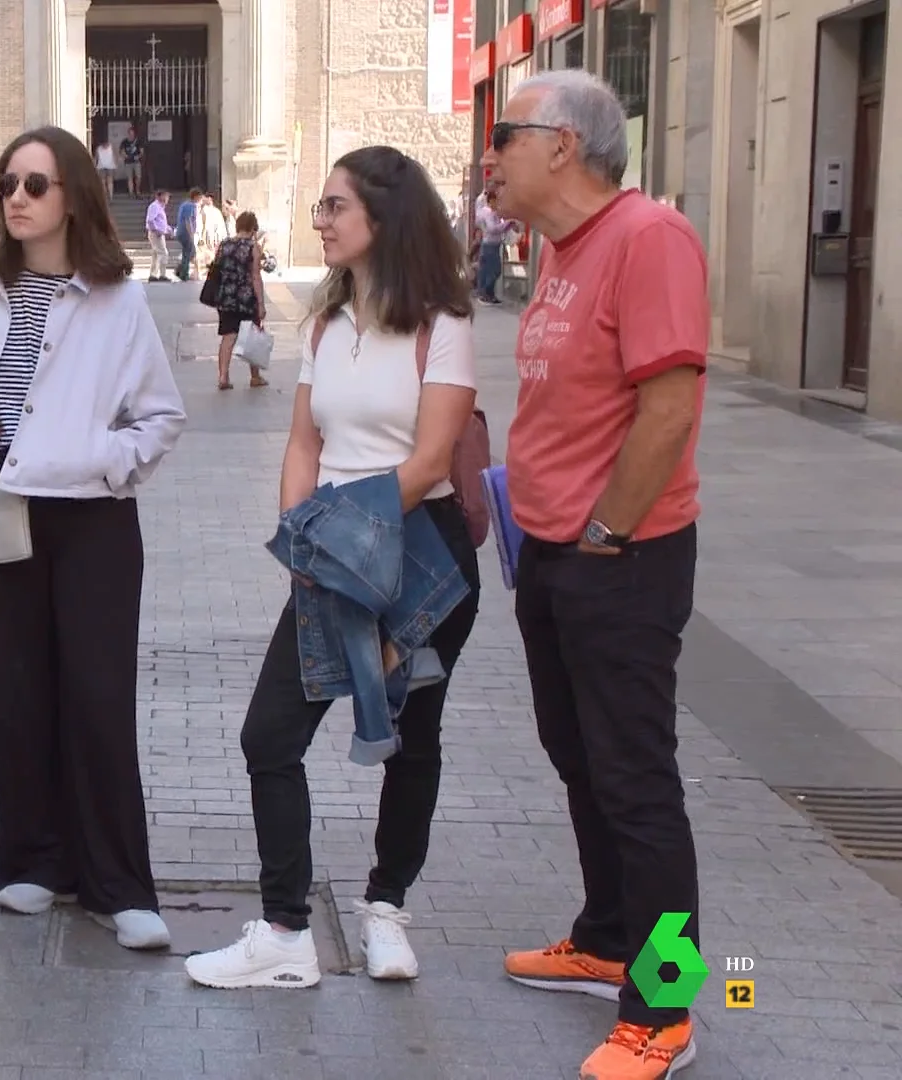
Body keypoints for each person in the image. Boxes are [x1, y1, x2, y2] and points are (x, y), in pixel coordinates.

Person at [184, 145, 482, 993]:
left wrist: (339, 537)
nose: (319, 221)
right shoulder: (325, 322)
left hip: (418, 558)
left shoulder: (442, 322)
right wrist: (298, 540)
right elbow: (305, 442)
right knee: (269, 738)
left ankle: (386, 909)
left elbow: (429, 461)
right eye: (319, 208)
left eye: (332, 207)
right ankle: (283, 933)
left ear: (383, 219)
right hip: (334, 556)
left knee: (410, 737)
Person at [0, 125, 186, 951]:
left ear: (72, 197)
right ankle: (33, 861)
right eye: (7, 186)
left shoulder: (118, 299)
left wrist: (108, 459)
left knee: (97, 696)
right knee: (17, 690)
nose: (17, 200)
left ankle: (118, 885)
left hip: (93, 520)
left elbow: (162, 415)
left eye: (35, 185)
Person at [485, 69, 708, 1080]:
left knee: (636, 783)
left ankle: (664, 1007)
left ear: (562, 145)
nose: (492, 157)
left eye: (506, 136)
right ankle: (608, 932)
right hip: (554, 552)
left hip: (620, 558)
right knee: (580, 759)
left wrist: (609, 532)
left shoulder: (648, 238)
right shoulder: (564, 251)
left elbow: (668, 405)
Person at [206, 211, 267, 391]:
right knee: (252, 335)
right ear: (253, 228)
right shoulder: (253, 247)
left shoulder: (224, 245)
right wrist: (261, 303)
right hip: (247, 297)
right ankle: (255, 377)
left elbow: (217, 270)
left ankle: (223, 376)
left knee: (228, 336)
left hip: (226, 297)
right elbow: (255, 276)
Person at [472, 187, 518, 305]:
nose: (498, 203)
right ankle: (485, 293)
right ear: (491, 201)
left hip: (491, 244)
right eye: (496, 201)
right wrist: (507, 223)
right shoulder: (488, 213)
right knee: (495, 270)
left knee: (487, 270)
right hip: (490, 245)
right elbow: (493, 229)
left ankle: (488, 294)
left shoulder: (490, 212)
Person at [144, 190, 174, 282]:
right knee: (163, 253)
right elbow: (150, 220)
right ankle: (162, 274)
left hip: (159, 233)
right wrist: (156, 230)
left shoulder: (160, 207)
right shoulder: (155, 206)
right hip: (156, 233)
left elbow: (162, 223)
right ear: (160, 196)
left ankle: (153, 274)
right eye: (166, 196)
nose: (167, 199)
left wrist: (169, 230)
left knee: (156, 254)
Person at [172, 187, 201, 281]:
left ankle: (181, 271)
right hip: (185, 232)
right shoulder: (191, 206)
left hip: (180, 232)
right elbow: (188, 220)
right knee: (188, 253)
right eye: (199, 197)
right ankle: (183, 273)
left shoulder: (184, 204)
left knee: (187, 252)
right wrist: (191, 234)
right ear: (195, 196)